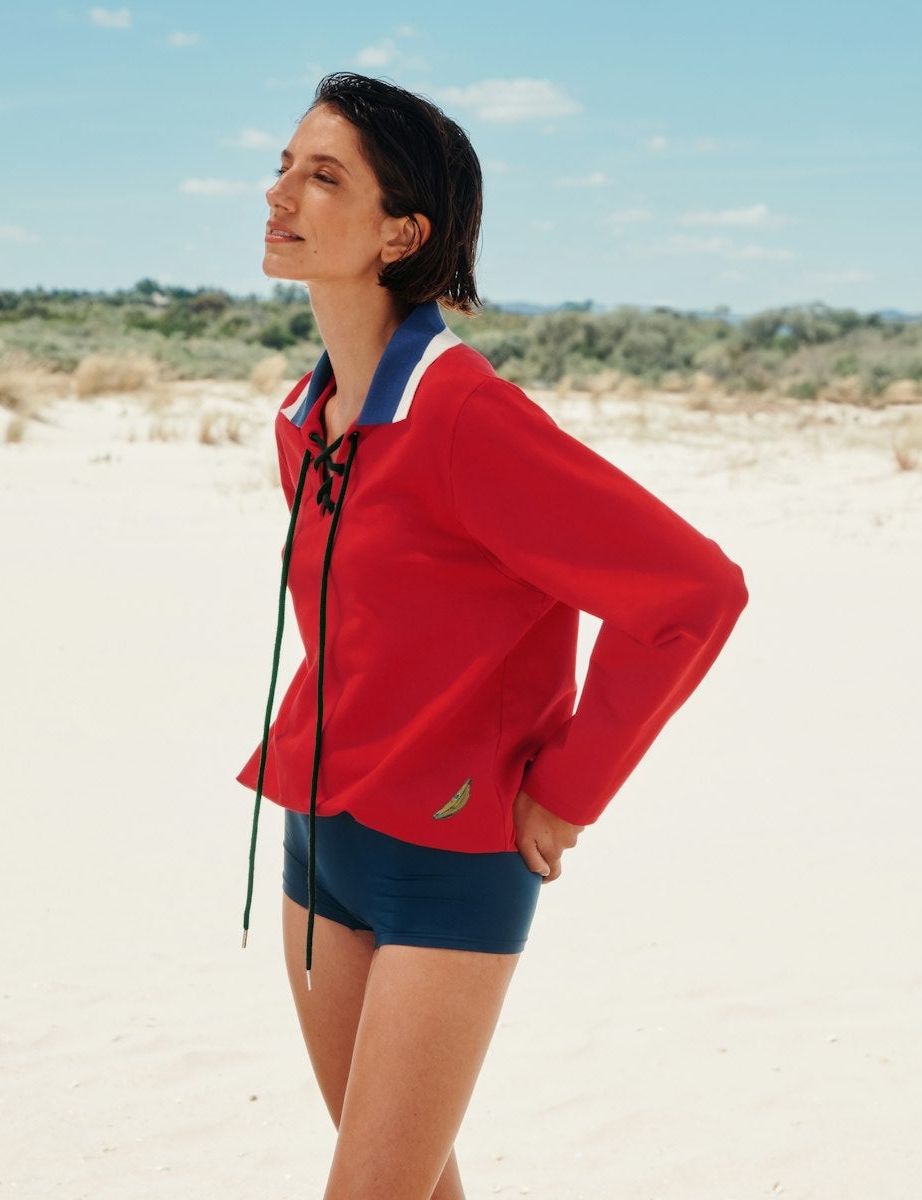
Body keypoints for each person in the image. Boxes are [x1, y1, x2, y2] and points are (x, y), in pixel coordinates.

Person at [235, 72, 748, 1200]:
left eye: (324, 177)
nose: (280, 193)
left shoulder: (465, 415)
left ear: (401, 231)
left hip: (450, 865)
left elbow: (693, 593)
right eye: (282, 164)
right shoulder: (304, 417)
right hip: (320, 843)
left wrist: (568, 788)